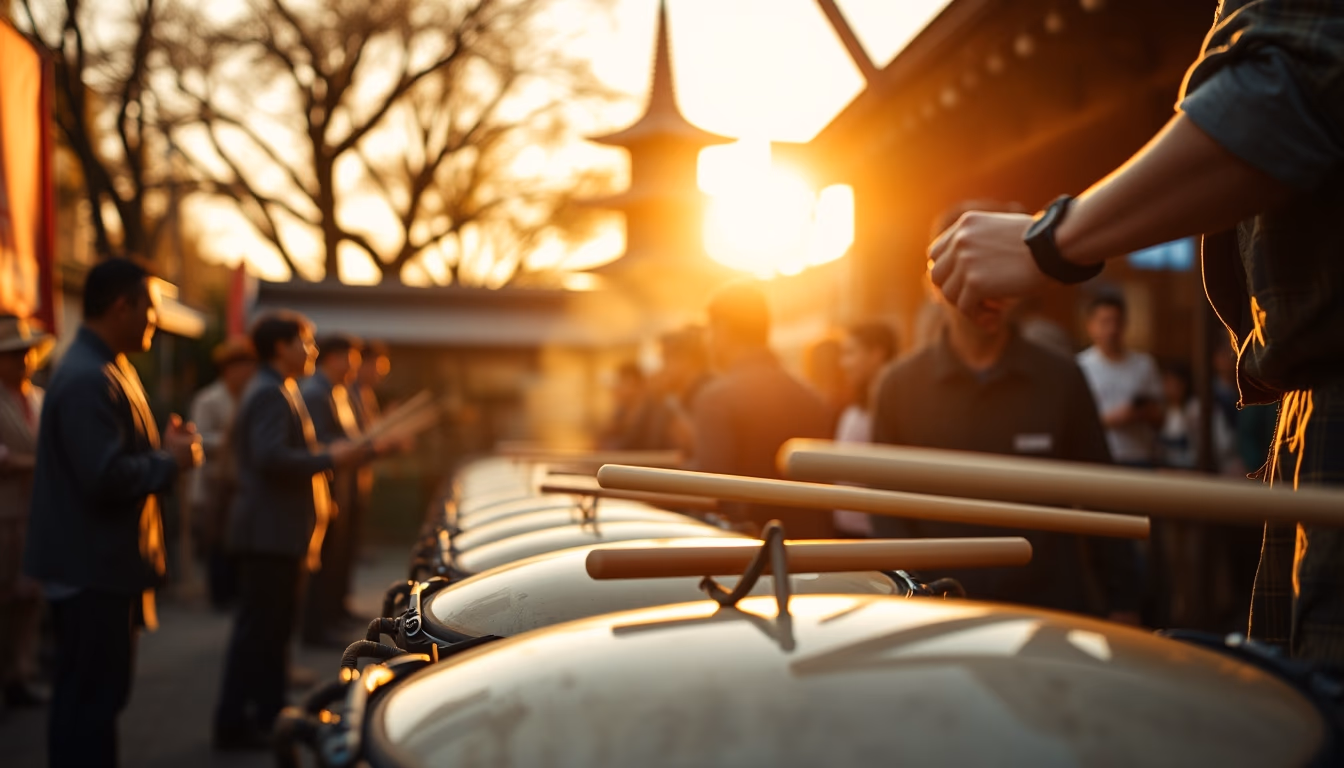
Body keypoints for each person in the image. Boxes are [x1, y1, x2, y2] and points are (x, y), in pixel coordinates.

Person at [926, 1, 1344, 660]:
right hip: (1310, 420)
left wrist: (1051, 241)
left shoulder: (1057, 375)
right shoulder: (906, 386)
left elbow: (1289, 90)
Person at [873, 203, 1141, 621]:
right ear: (933, 282)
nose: (984, 288)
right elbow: (885, 513)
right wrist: (910, 599)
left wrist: (1125, 601)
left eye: (996, 268)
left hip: (1047, 616)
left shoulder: (1061, 378)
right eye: (963, 270)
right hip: (938, 617)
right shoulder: (898, 387)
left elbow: (1101, 495)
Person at [24, 259, 202, 767]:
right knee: (89, 705)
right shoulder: (86, 376)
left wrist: (163, 450)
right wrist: (169, 459)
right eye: (149, 308)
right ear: (121, 306)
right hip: (91, 568)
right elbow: (102, 478)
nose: (154, 319)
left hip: (100, 566)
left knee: (94, 701)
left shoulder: (103, 364)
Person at [213, 313, 367, 750]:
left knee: (271, 631)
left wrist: (325, 454)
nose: (312, 351)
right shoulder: (268, 391)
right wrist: (330, 458)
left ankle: (267, 714)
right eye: (306, 342)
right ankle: (241, 721)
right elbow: (270, 458)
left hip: (276, 532)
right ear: (281, 347)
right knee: (260, 632)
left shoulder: (276, 387)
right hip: (269, 534)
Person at [693, 282, 835, 538]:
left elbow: (713, 495)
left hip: (749, 560)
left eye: (710, 329)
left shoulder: (718, 398)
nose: (708, 341)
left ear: (723, 329)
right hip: (812, 556)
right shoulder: (810, 398)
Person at [0, 315, 53, 710]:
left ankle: (19, 671)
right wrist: (38, 464)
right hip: (4, 514)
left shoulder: (39, 398)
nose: (25, 360)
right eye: (15, 354)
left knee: (30, 597)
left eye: (27, 352)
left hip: (36, 511)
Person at [299, 333, 363, 646]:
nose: (356, 367)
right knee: (322, 563)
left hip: (341, 486)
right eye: (351, 359)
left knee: (336, 558)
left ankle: (331, 617)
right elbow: (319, 444)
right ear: (334, 358)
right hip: (327, 488)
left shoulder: (336, 391)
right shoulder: (315, 393)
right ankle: (316, 627)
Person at [189, 336, 257, 610]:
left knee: (236, 539)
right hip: (213, 481)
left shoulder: (248, 397)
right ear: (229, 370)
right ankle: (220, 595)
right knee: (217, 540)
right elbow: (199, 438)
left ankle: (234, 591)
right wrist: (231, 440)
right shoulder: (209, 399)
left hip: (237, 480)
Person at [1076, 295, 1165, 467]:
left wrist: (1142, 412)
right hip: (1100, 458)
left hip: (1140, 456)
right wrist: (1114, 418)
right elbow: (1077, 423)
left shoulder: (1144, 364)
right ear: (1090, 326)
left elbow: (1161, 418)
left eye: (1117, 322)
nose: (1112, 329)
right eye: (1105, 322)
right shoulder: (1080, 366)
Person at [832, 321, 898, 537]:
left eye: (851, 353)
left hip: (873, 537)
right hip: (849, 532)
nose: (843, 363)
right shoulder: (856, 408)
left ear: (876, 354)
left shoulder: (891, 410)